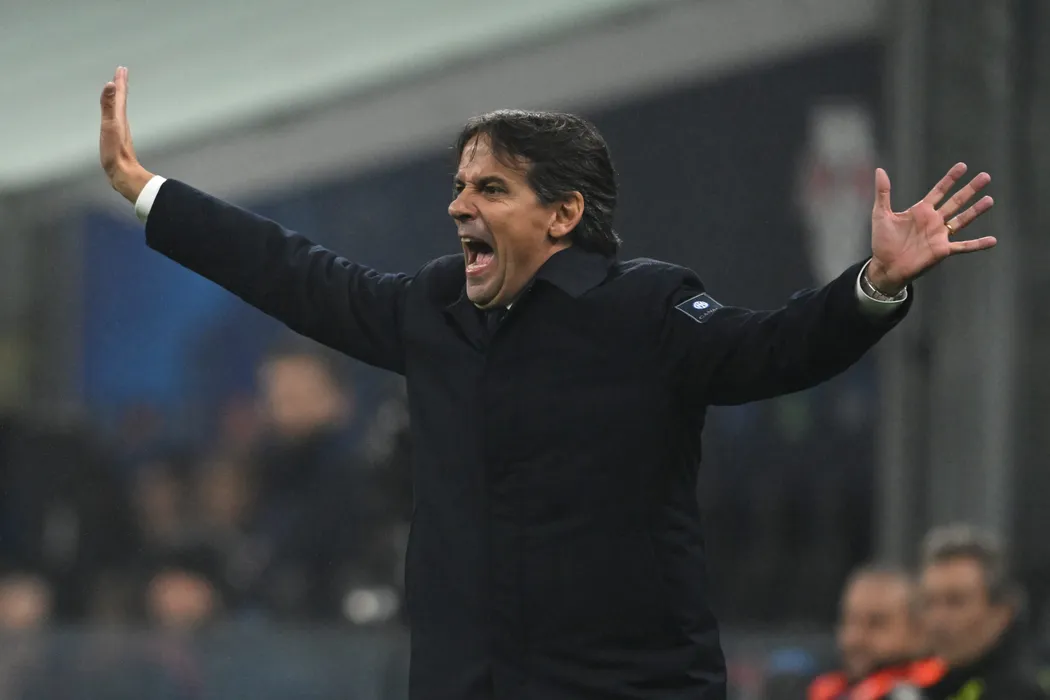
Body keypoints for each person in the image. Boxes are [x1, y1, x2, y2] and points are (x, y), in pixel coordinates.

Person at [98, 66, 996, 700]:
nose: (459, 205)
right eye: (460, 185)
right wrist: (148, 191)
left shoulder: (645, 307)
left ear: (563, 213)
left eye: (490, 188)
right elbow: (288, 269)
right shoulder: (433, 307)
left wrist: (874, 284)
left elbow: (775, 351)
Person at [919, 525, 1048, 700]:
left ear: (1002, 611)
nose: (937, 620)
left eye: (956, 602)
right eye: (929, 602)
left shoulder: (1019, 691)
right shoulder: (931, 686)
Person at [808, 565, 944, 700]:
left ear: (918, 631)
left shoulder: (932, 690)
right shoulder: (827, 690)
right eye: (850, 621)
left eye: (876, 623)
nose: (856, 637)